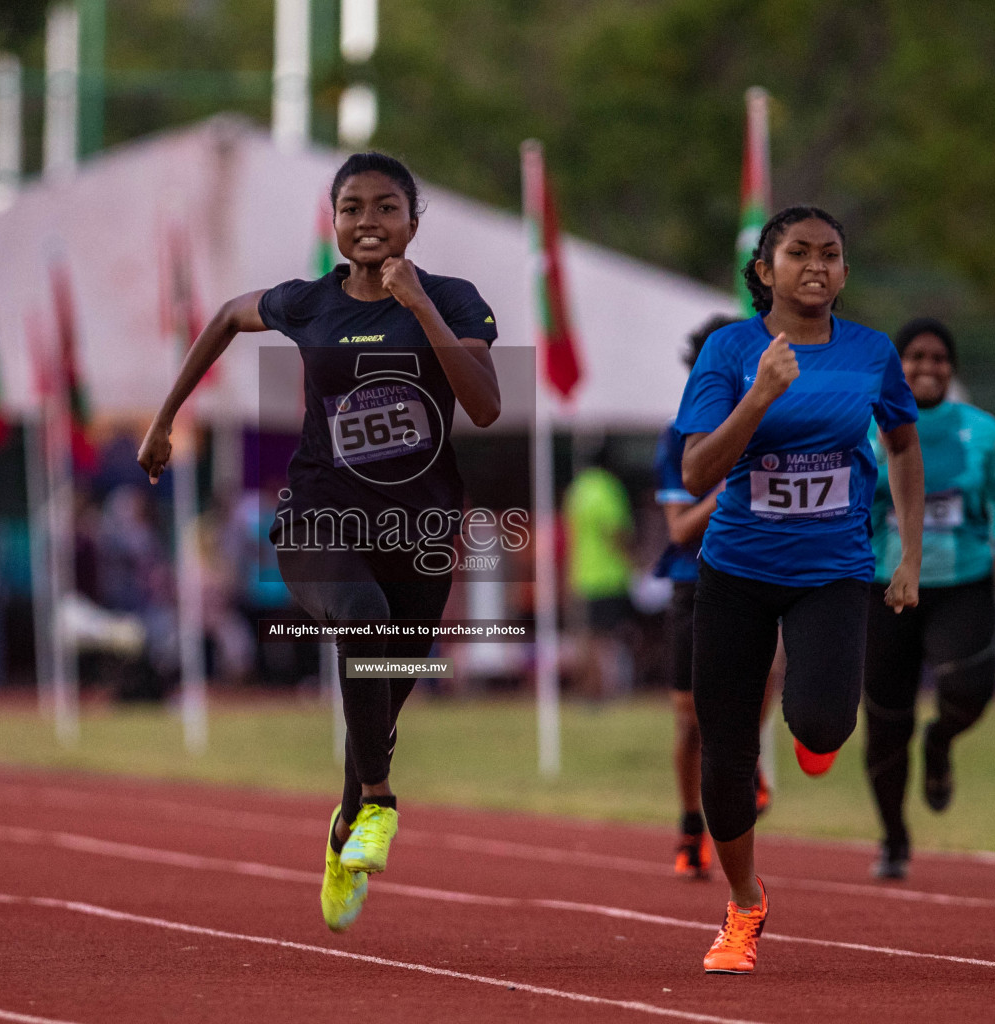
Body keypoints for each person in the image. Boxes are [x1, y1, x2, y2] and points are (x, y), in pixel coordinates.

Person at [138, 151, 500, 934]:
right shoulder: (308, 303)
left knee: (382, 698)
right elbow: (228, 317)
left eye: (385, 207)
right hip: (320, 520)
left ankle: (345, 827)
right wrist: (166, 417)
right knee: (362, 623)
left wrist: (422, 309)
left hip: (419, 532)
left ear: (413, 219)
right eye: (351, 207)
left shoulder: (454, 299)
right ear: (333, 220)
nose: (367, 221)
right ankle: (378, 803)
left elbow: (486, 405)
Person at [674, 206, 923, 974]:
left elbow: (905, 446)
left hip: (833, 570)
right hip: (737, 571)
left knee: (821, 725)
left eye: (831, 255)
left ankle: (816, 735)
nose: (815, 265)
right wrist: (758, 397)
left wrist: (908, 553)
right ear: (765, 270)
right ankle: (745, 905)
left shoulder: (873, 354)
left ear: (844, 274)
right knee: (724, 749)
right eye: (797, 252)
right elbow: (695, 475)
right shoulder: (730, 350)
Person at [863, 318, 995, 879]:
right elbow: (854, 499)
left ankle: (940, 742)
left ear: (951, 368)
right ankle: (893, 838)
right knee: (886, 719)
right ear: (897, 366)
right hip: (885, 586)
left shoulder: (982, 430)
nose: (927, 368)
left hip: (964, 580)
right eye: (915, 357)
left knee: (969, 689)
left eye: (938, 358)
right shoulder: (869, 428)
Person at [654, 315, 780, 881]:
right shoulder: (680, 434)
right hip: (694, 579)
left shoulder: (780, 425)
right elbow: (680, 530)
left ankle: (746, 759)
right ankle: (688, 823)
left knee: (767, 670)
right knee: (691, 723)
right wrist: (732, 490)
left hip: (758, 571)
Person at [563, 447, 635, 698]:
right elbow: (615, 531)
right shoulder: (608, 488)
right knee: (606, 639)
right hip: (609, 574)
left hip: (582, 573)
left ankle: (590, 689)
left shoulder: (577, 489)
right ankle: (606, 689)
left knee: (587, 637)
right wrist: (632, 560)